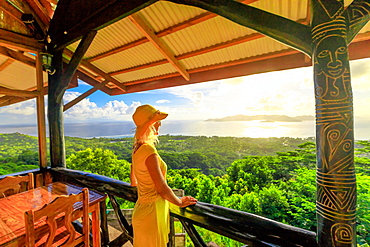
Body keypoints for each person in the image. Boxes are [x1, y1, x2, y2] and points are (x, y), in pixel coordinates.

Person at [130, 104, 197, 247]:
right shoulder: (148, 151)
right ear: (151, 124)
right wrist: (179, 202)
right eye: (157, 122)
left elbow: (134, 181)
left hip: (142, 210)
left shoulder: (137, 148)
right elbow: (161, 187)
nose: (160, 125)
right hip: (152, 214)